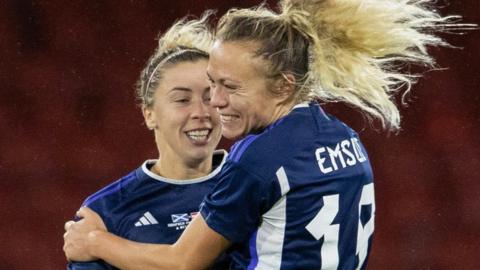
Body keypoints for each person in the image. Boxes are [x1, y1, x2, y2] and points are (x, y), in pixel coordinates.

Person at [64, 0, 474, 269]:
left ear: (282, 86)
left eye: (231, 87)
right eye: (213, 84)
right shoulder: (346, 139)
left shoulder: (259, 158)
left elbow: (184, 262)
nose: (216, 103)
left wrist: (96, 243)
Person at [66, 14, 229, 270]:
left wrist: (100, 243)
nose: (201, 112)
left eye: (210, 98)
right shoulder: (106, 212)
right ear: (149, 114)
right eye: (182, 100)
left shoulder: (255, 184)